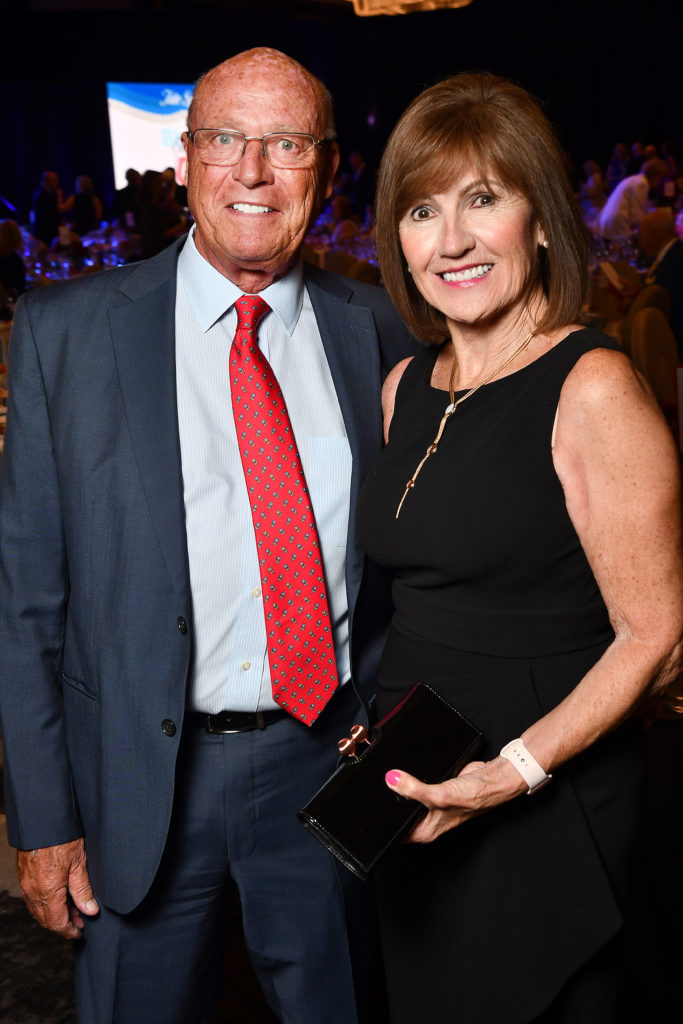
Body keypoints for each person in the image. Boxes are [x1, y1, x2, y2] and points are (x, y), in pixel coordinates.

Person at [0, 47, 415, 1024]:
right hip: (137, 781)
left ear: (326, 167)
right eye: (226, 139)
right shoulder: (66, 333)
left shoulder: (383, 329)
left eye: (286, 144)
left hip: (328, 762)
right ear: (184, 160)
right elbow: (25, 604)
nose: (253, 171)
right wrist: (43, 819)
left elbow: (416, 567)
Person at [357, 72, 683, 1024]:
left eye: (482, 200)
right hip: (422, 794)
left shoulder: (591, 387)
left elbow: (656, 635)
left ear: (540, 221)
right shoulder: (404, 386)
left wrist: (512, 773)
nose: (451, 240)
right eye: (421, 210)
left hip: (545, 801)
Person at [639, 206, 683, 358]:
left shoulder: (676, 261)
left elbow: (664, 304)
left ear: (655, 235)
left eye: (642, 235)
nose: (640, 242)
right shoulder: (672, 254)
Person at [597, 157, 668, 240]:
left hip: (608, 220)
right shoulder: (642, 183)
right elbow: (636, 214)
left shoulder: (636, 179)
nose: (660, 182)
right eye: (660, 178)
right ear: (654, 175)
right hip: (617, 222)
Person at [30, 169, 73, 245]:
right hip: (47, 234)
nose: (57, 183)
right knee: (62, 248)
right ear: (47, 181)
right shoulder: (42, 194)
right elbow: (53, 213)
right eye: (54, 180)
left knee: (65, 246)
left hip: (53, 232)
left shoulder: (49, 192)